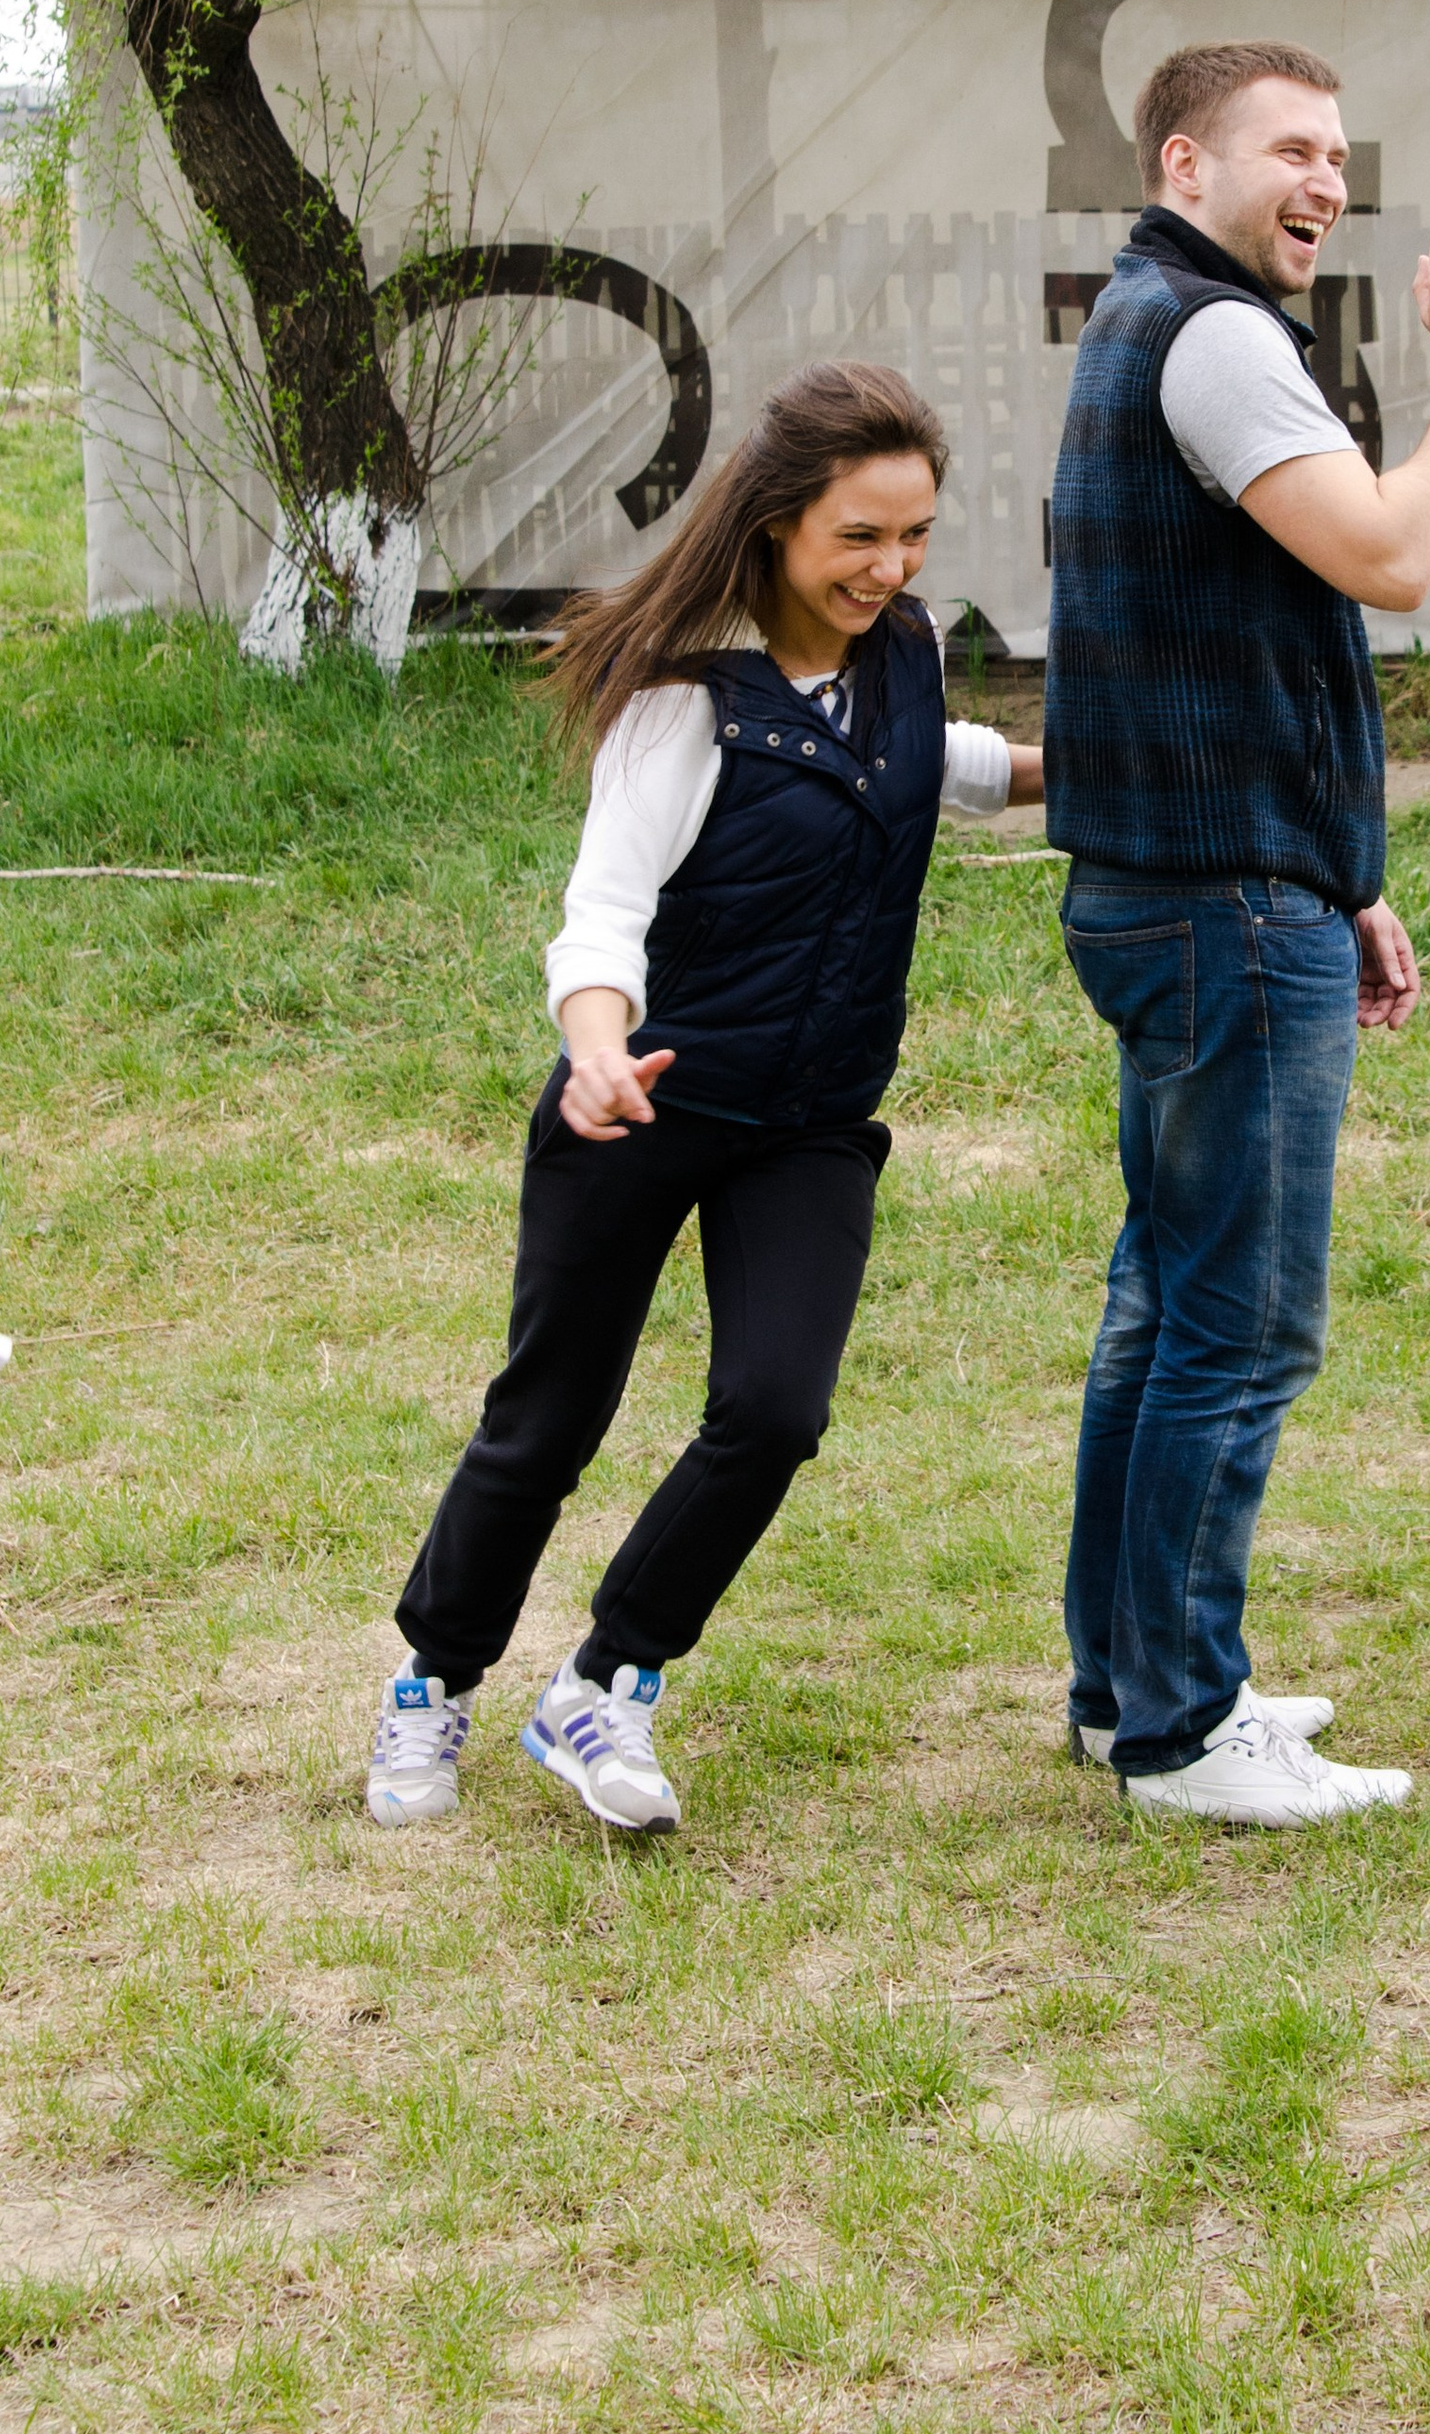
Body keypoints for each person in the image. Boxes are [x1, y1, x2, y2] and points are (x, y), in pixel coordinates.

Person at [366, 362, 1041, 1833]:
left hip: (810, 1121)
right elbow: (601, 908)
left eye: (916, 534)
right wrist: (597, 1044)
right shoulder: (685, 700)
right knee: (549, 1417)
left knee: (776, 1408)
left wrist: (1101, 774)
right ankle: (432, 1679)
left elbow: (941, 764)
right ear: (780, 522)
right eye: (861, 536)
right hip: (651, 1098)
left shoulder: (907, 656)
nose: (893, 566)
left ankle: (605, 1680)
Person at [1046, 38, 1430, 1824]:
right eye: (1289, 151)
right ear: (1187, 159)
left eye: (1340, 152)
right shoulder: (1220, 335)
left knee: (1162, 1305)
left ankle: (1124, 1685)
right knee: (1236, 1324)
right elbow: (1393, 555)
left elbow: (1224, 648)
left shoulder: (1153, 318)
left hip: (1204, 878)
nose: (1326, 181)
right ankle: (1184, 1722)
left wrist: (1347, 868)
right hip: (1220, 910)